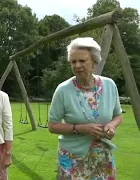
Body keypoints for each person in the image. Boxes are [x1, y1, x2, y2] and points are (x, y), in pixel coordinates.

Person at [48, 37, 123, 179]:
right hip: (73, 158)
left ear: (94, 61)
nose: (77, 65)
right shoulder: (63, 90)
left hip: (103, 156)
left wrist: (111, 125)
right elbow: (52, 126)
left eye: (82, 61)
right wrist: (81, 128)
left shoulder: (109, 85)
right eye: (73, 61)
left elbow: (118, 115)